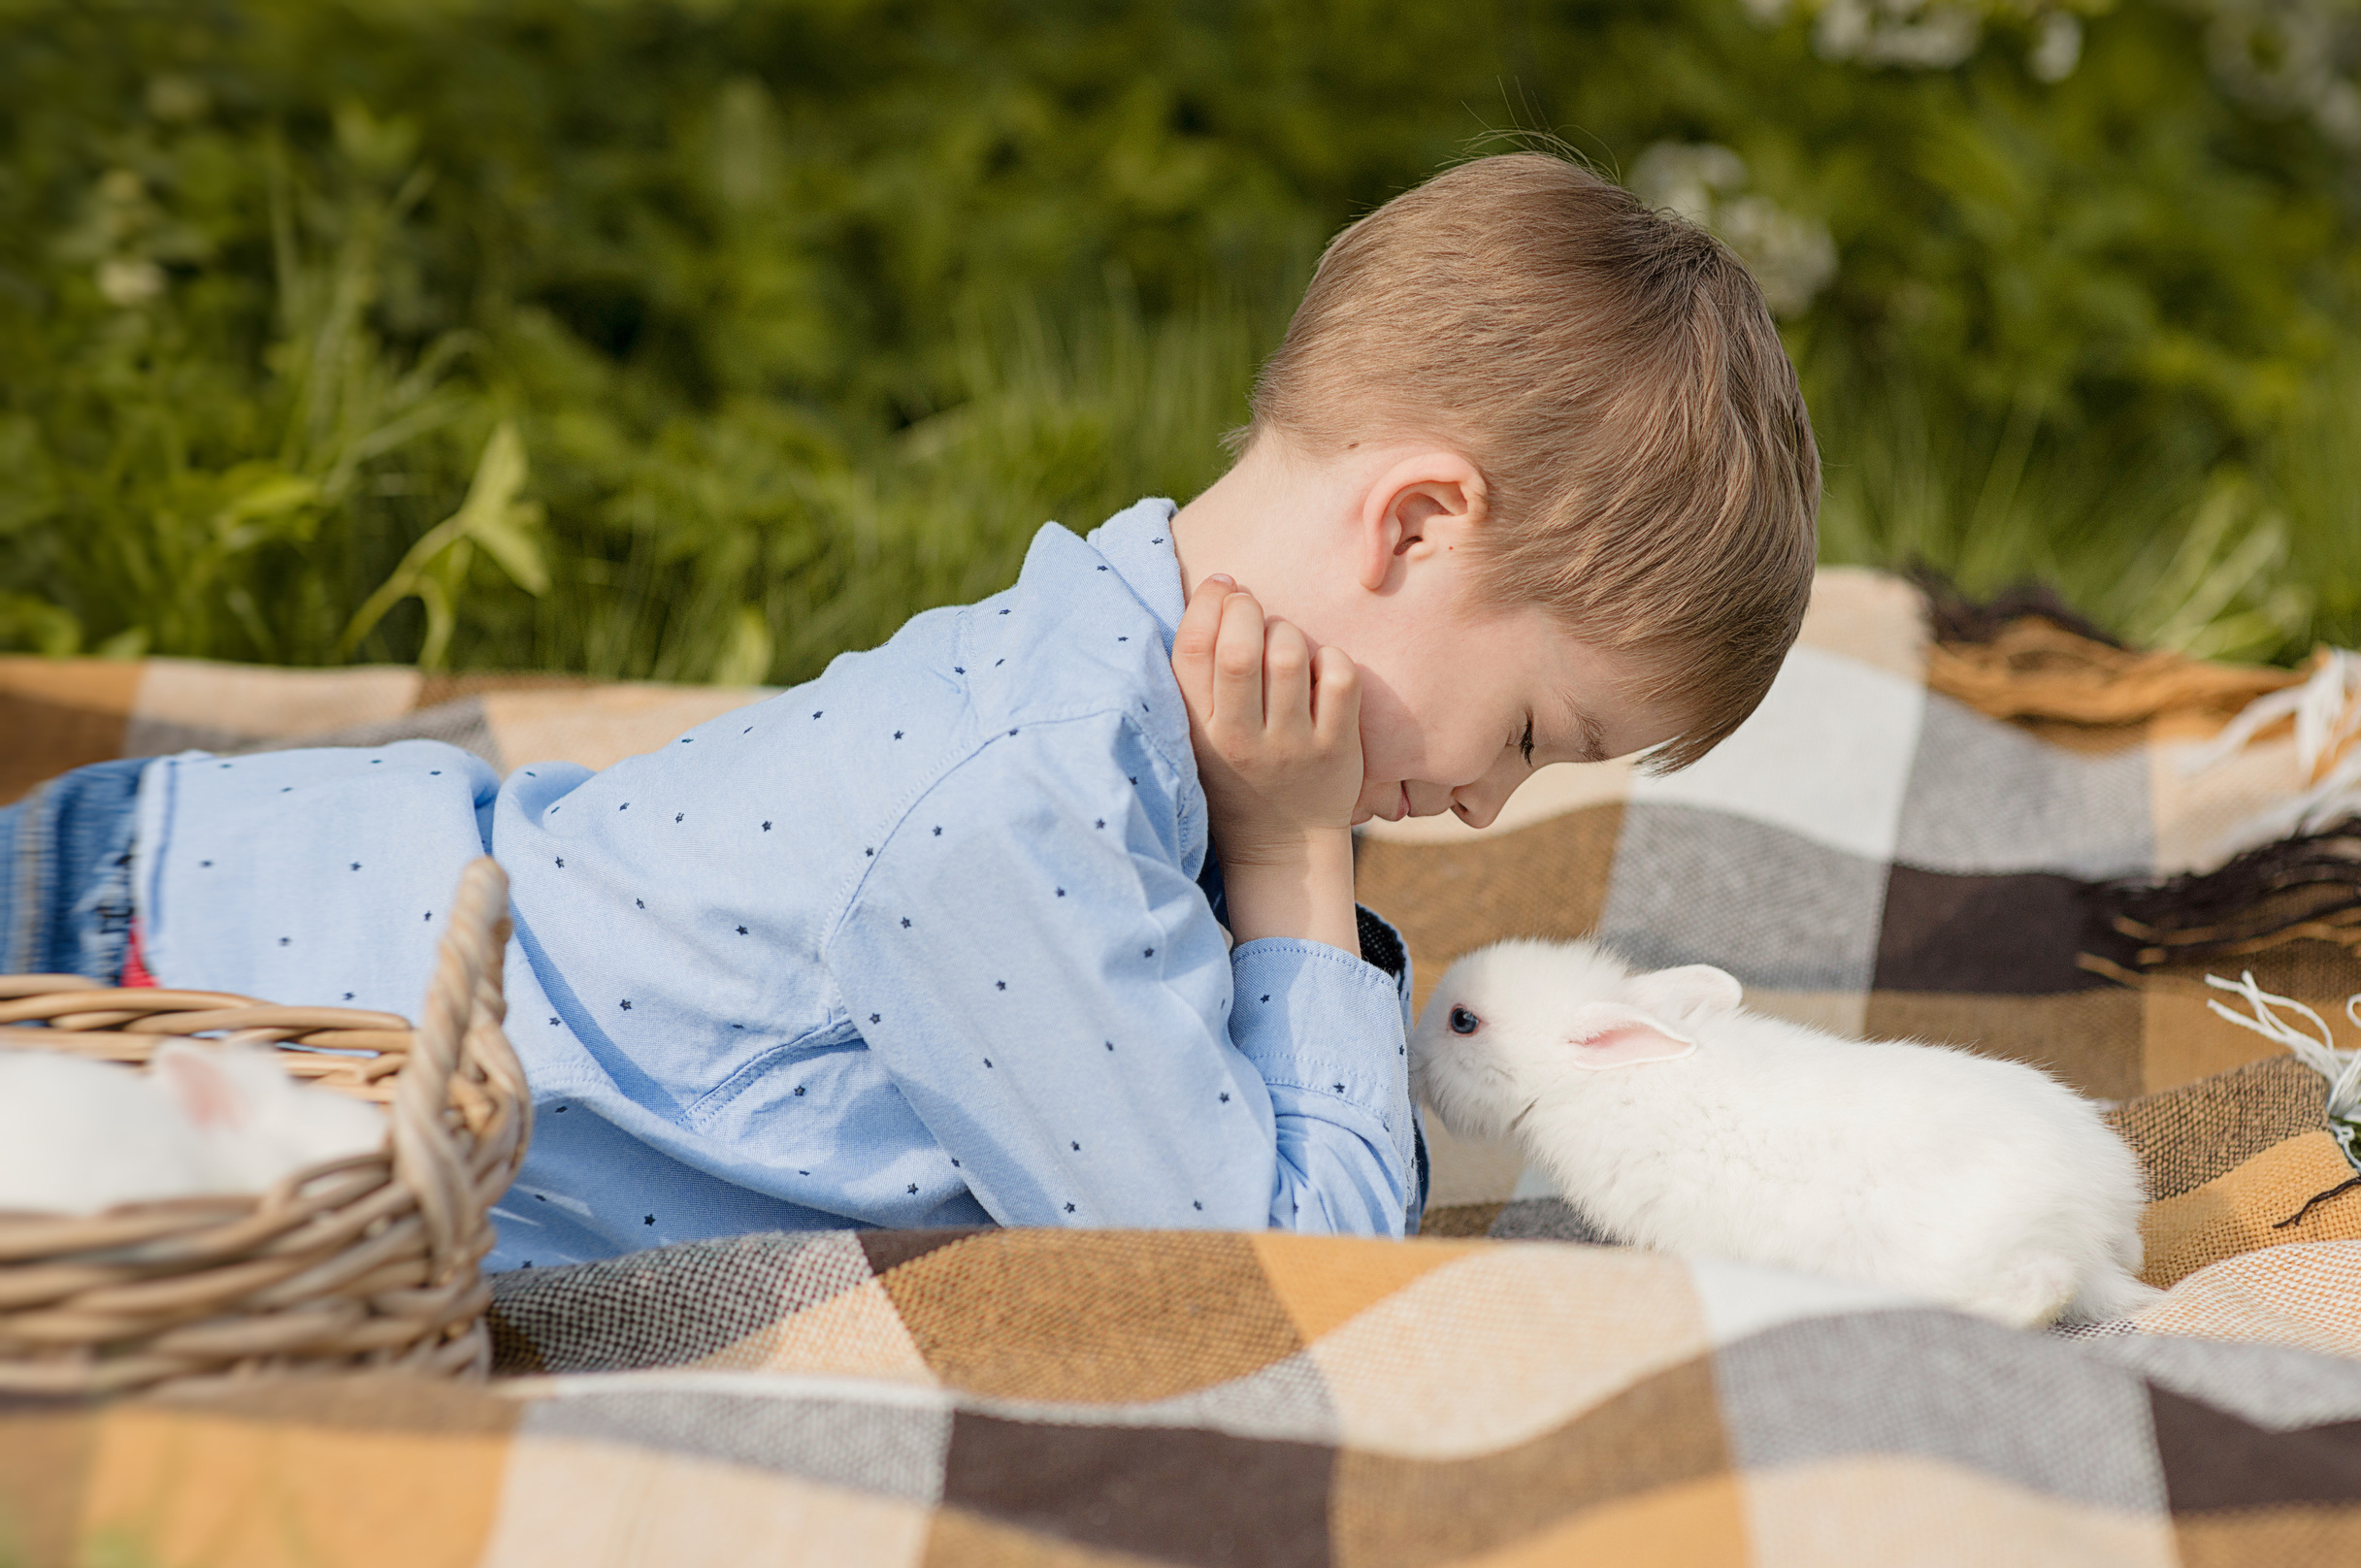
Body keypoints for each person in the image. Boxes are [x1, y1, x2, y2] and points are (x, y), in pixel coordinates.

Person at [0, 152, 1820, 1266]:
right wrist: (1291, 851)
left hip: (225, 937)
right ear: (1415, 523)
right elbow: (1286, 1277)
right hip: (169, 988)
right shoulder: (1030, 811)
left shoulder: (1116, 711)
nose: (1493, 808)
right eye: (1530, 735)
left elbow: (1269, 1158)